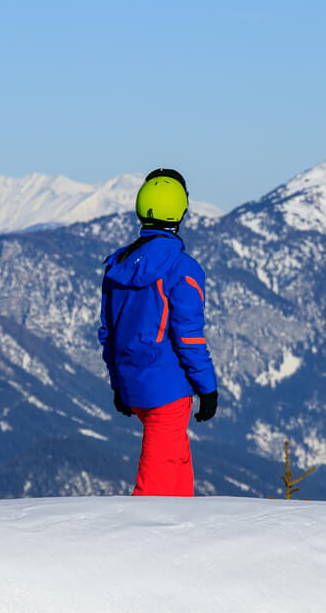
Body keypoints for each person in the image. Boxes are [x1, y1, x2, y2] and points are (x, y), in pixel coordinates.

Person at [98, 168, 218, 496]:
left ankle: (186, 530)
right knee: (152, 490)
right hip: (169, 392)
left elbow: (109, 334)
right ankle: (142, 544)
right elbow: (189, 337)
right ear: (181, 212)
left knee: (177, 461)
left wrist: (117, 385)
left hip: (133, 387)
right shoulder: (184, 270)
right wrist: (208, 388)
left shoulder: (118, 266)